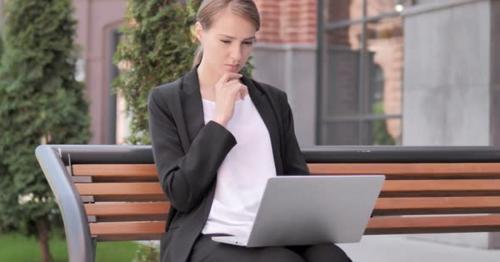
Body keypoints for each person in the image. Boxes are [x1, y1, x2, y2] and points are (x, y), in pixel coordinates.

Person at [148, 0, 352, 261]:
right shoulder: (167, 100)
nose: (237, 55)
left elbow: (295, 176)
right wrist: (220, 120)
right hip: (210, 235)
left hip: (275, 231)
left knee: (332, 258)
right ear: (199, 32)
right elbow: (181, 192)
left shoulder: (272, 101)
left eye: (247, 42)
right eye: (226, 41)